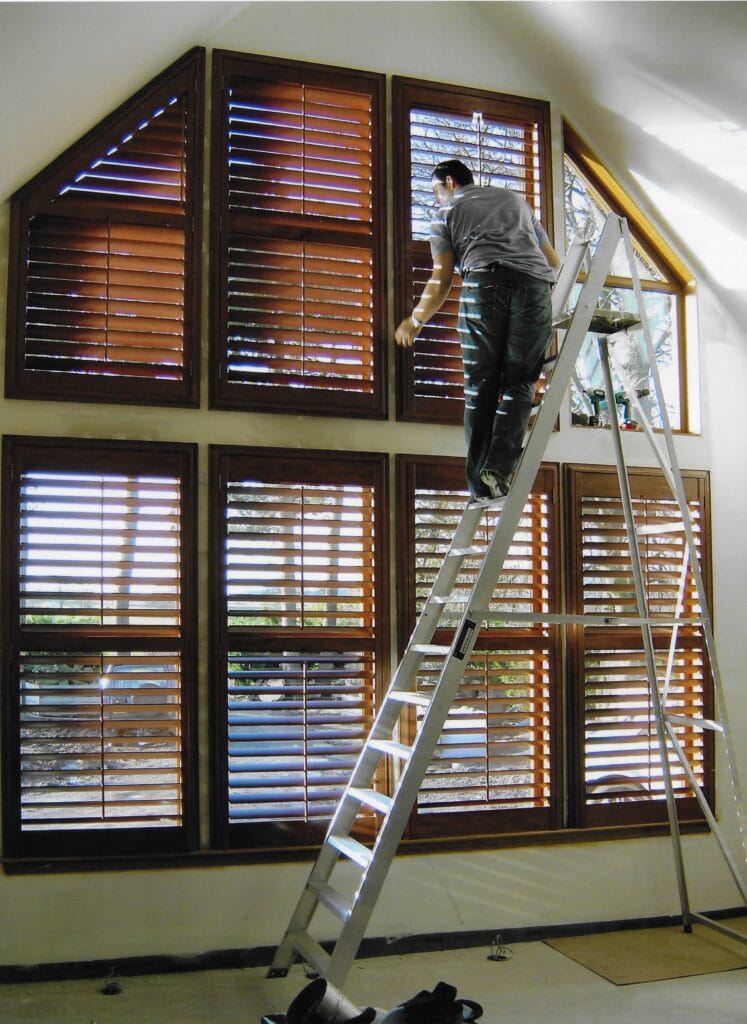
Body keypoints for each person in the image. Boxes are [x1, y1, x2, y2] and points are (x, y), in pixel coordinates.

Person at [395, 158, 560, 501]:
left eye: (436, 191)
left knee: (480, 388)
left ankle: (478, 486)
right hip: (534, 288)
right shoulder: (517, 202)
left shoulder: (445, 216)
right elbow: (553, 263)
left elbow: (441, 278)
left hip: (483, 287)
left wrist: (416, 319)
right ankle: (497, 469)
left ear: (450, 182)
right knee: (520, 383)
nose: (437, 199)